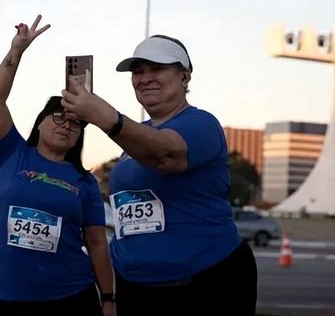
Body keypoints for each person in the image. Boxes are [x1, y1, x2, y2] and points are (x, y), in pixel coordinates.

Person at [61, 34, 258, 315]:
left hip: (203, 280)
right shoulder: (135, 134)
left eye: (157, 68)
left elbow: (166, 155)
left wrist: (105, 117)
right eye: (138, 71)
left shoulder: (201, 123)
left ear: (185, 76)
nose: (145, 78)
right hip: (136, 286)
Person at [0, 15, 115, 316]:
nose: (65, 125)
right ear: (40, 122)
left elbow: (96, 243)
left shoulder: (84, 182)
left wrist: (108, 299)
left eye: (75, 123)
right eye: (58, 117)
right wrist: (16, 52)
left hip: (72, 295)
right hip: (12, 296)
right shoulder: (11, 154)